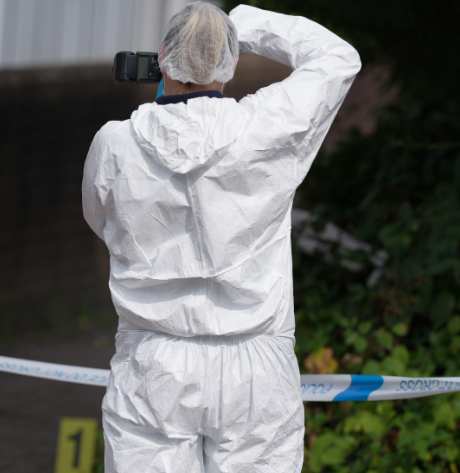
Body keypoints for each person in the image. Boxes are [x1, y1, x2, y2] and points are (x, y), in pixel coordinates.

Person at [82, 3, 361, 472]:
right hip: (255, 362)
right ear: (229, 64)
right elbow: (338, 58)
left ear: (162, 58)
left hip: (154, 361)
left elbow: (100, 220)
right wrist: (245, 23)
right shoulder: (265, 127)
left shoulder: (115, 143)